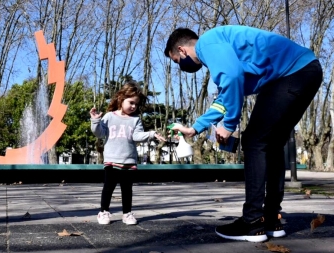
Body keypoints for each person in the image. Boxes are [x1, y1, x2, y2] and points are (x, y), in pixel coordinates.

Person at [164, 26, 322, 242]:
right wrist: (195, 128)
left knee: (254, 142)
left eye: (176, 61)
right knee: (272, 144)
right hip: (304, 72)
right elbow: (225, 97)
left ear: (181, 50)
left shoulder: (206, 43)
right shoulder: (223, 49)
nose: (180, 66)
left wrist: (229, 124)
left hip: (291, 74)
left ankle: (252, 222)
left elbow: (232, 77)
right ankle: (270, 219)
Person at [90, 81, 166, 225]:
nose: (133, 106)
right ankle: (103, 212)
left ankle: (127, 213)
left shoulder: (135, 120)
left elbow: (136, 136)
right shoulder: (109, 116)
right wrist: (95, 121)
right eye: (131, 102)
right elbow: (99, 134)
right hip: (112, 159)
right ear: (120, 98)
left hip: (129, 160)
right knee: (108, 187)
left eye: (136, 104)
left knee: (127, 189)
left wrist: (151, 134)